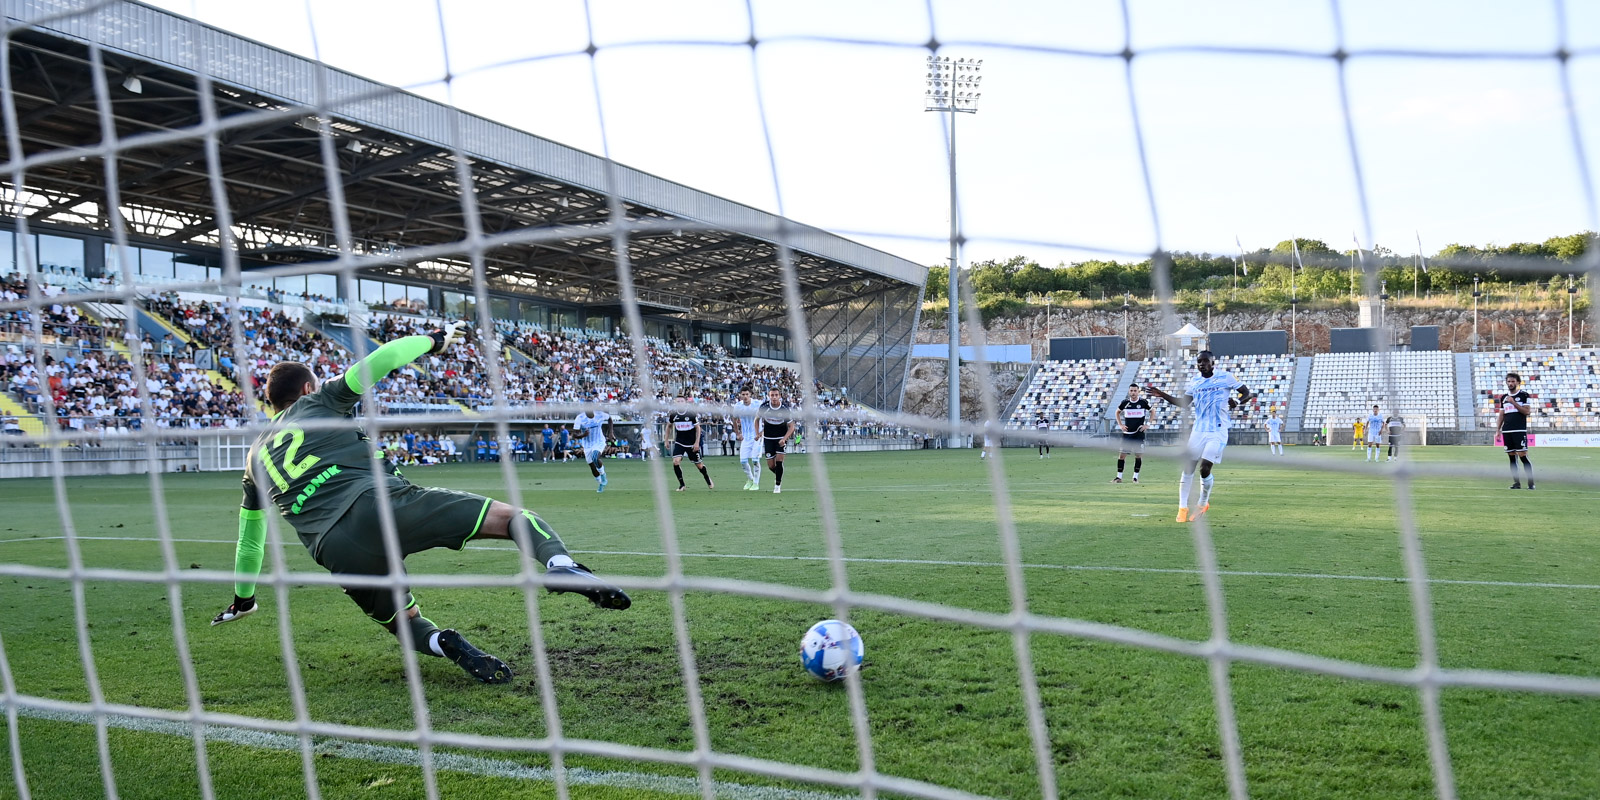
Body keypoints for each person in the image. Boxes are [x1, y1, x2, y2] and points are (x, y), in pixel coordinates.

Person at [211, 323, 629, 685]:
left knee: (401, 621)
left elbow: (250, 543)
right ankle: (561, 566)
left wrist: (244, 599)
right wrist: (434, 340)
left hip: (332, 548)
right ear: (307, 388)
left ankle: (445, 644)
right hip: (379, 502)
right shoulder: (318, 403)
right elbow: (385, 357)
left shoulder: (252, 461)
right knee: (514, 518)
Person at [1145, 350, 1252, 523]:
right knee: (1188, 469)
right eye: (1199, 362)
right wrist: (1162, 395)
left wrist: (1238, 402)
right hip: (1198, 431)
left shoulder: (1226, 377)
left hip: (1218, 430)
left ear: (1212, 363)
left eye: (1205, 361)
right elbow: (1184, 403)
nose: (1202, 364)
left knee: (1204, 469)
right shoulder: (1195, 382)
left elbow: (1247, 393)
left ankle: (1202, 503)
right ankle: (1182, 507)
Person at [1497, 372, 1534, 489]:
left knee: (1522, 455)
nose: (1510, 383)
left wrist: (1513, 402)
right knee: (1511, 457)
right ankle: (1516, 483)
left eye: (1513, 381)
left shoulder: (1524, 395)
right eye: (1508, 381)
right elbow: (1501, 414)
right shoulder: (1503, 397)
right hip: (1507, 430)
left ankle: (1531, 483)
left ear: (1518, 382)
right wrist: (1498, 430)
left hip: (1519, 430)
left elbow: (1527, 412)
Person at [669, 396, 713, 491]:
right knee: (676, 462)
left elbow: (698, 428)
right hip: (679, 442)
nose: (680, 403)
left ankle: (707, 478)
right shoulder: (673, 415)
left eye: (682, 401)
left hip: (691, 444)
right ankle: (682, 485)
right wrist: (666, 440)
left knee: (699, 466)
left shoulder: (691, 415)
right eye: (678, 401)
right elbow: (668, 426)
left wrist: (697, 443)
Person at [758, 387, 795, 494]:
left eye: (776, 395)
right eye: (772, 395)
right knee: (771, 466)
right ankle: (779, 474)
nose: (774, 397)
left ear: (779, 396)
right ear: (769, 396)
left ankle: (777, 485)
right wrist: (758, 433)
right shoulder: (764, 407)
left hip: (780, 438)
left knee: (779, 462)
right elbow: (757, 419)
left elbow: (792, 426)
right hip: (768, 438)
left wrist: (784, 438)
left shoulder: (784, 409)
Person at [1113, 384, 1152, 483]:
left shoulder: (1143, 402)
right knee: (1122, 455)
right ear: (1129, 391)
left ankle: (1135, 478)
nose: (1133, 392)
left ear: (1138, 391)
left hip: (1139, 434)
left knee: (1138, 455)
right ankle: (1119, 477)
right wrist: (1120, 425)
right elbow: (1117, 412)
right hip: (1127, 434)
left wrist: (1148, 424)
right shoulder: (1125, 403)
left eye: (1135, 391)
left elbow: (1153, 411)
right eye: (1131, 390)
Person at [572, 405, 615, 493]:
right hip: (587, 444)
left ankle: (603, 476)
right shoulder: (580, 418)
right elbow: (574, 434)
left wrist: (610, 433)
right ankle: (600, 483)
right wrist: (583, 435)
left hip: (599, 441)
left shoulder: (599, 414)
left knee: (595, 456)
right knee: (592, 465)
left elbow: (610, 418)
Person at [733, 387, 763, 490]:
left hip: (757, 437)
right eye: (743, 394)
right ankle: (750, 479)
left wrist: (761, 432)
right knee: (743, 461)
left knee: (755, 460)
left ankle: (756, 483)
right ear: (740, 395)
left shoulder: (758, 404)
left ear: (750, 394)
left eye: (747, 394)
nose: (745, 396)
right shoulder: (737, 406)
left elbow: (767, 418)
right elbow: (734, 419)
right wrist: (738, 433)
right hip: (745, 437)